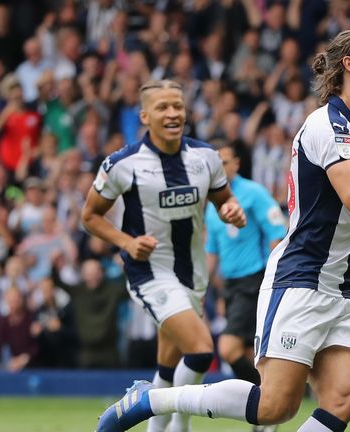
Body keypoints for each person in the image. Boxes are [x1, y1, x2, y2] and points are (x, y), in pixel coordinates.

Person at [95, 29, 350, 432]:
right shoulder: (328, 124)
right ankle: (149, 399)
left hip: (339, 287)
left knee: (343, 399)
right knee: (274, 406)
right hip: (301, 279)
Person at [83, 79, 246, 432]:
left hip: (193, 273)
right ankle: (179, 424)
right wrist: (126, 242)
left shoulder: (206, 157)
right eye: (162, 107)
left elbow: (223, 200)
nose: (172, 113)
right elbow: (90, 216)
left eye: (178, 106)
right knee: (202, 350)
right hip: (150, 272)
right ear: (145, 116)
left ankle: (156, 426)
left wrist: (232, 210)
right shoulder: (122, 164)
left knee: (168, 368)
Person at [205, 142, 286, 403]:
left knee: (228, 348)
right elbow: (213, 253)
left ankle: (268, 398)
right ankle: (270, 401)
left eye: (224, 162)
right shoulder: (211, 205)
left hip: (255, 279)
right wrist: (211, 290)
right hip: (230, 285)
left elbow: (277, 233)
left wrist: (271, 280)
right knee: (247, 351)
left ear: (237, 164)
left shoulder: (254, 193)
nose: (219, 168)